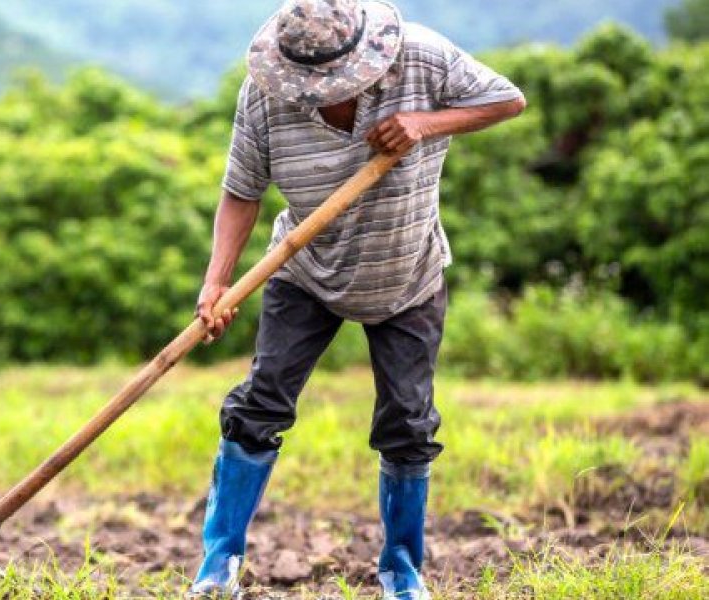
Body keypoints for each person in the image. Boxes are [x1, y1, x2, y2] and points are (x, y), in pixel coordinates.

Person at [189, 1, 526, 598]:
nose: (318, 93)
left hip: (408, 274)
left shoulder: (421, 55)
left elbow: (507, 100)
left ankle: (402, 570)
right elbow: (241, 190)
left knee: (408, 424)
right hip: (305, 270)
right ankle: (218, 567)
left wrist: (425, 123)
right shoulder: (265, 95)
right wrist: (217, 282)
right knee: (259, 406)